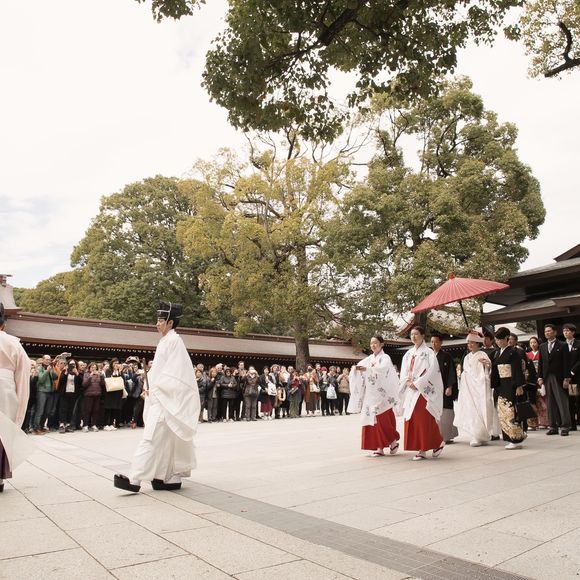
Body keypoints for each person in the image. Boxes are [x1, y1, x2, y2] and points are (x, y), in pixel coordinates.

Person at [114, 301, 200, 493]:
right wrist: (148, 385)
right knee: (165, 438)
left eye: (161, 321)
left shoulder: (174, 341)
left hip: (165, 397)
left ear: (170, 323)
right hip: (160, 395)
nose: (157, 324)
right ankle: (165, 476)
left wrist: (156, 387)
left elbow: (176, 373)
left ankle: (135, 479)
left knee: (151, 437)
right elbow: (160, 371)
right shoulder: (165, 341)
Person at [0, 303, 33, 492]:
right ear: (3, 323)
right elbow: (22, 374)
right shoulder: (12, 343)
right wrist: (20, 406)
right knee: (2, 430)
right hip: (5, 389)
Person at [348, 336, 400, 456]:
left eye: (375, 343)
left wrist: (367, 369)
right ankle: (379, 447)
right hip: (370, 394)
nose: (373, 345)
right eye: (371, 343)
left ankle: (392, 441)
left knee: (383, 420)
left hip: (382, 394)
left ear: (381, 344)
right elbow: (359, 366)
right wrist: (355, 369)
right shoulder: (369, 359)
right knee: (371, 420)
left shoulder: (385, 358)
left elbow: (382, 369)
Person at [399, 326, 445, 461]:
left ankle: (423, 449)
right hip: (411, 389)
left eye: (416, 334)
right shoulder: (408, 353)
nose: (413, 337)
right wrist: (407, 382)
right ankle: (437, 442)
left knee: (423, 418)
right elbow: (404, 371)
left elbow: (432, 371)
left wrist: (418, 383)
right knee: (413, 418)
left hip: (423, 390)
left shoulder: (428, 353)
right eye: (411, 334)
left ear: (423, 336)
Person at [454, 332, 494, 447]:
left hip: (480, 387)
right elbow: (465, 371)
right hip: (469, 387)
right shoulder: (467, 357)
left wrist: (488, 365)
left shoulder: (482, 354)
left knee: (481, 409)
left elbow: (488, 370)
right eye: (468, 343)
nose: (470, 345)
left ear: (478, 344)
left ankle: (482, 435)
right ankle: (475, 435)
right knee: (471, 410)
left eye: (472, 343)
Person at [491, 327, 527, 449]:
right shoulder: (497, 352)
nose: (498, 342)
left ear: (507, 338)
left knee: (511, 411)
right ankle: (510, 437)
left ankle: (516, 439)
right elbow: (495, 369)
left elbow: (517, 370)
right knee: (503, 412)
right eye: (496, 340)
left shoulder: (513, 352)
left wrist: (519, 385)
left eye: (500, 339)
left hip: (511, 383)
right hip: (501, 384)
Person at [538, 323, 571, 436]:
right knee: (550, 402)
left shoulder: (562, 345)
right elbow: (541, 363)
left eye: (549, 331)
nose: (547, 333)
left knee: (562, 402)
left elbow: (567, 363)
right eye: (545, 331)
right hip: (547, 377)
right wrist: (540, 377)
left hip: (559, 377)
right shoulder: (542, 346)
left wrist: (567, 378)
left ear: (555, 332)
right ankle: (553, 426)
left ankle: (565, 426)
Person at [430, 332, 458, 444]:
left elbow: (451, 372)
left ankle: (447, 435)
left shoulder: (446, 356)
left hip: (444, 387)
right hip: (432, 389)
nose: (434, 344)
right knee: (433, 411)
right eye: (432, 342)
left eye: (436, 342)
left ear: (441, 342)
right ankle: (436, 435)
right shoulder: (428, 356)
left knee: (446, 411)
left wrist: (450, 387)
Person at [526, 337, 548, 428]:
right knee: (532, 400)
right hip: (531, 378)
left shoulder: (541, 352)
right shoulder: (527, 354)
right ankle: (534, 422)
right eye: (531, 343)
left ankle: (544, 422)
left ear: (538, 343)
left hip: (540, 376)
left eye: (534, 342)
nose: (533, 344)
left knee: (542, 399)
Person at [563, 323, 580, 431]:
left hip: (577, 376)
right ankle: (572, 424)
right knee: (569, 401)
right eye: (564, 331)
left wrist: (572, 372)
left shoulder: (578, 344)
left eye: (568, 331)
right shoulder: (561, 345)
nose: (565, 333)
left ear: (573, 332)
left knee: (578, 400)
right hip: (566, 378)